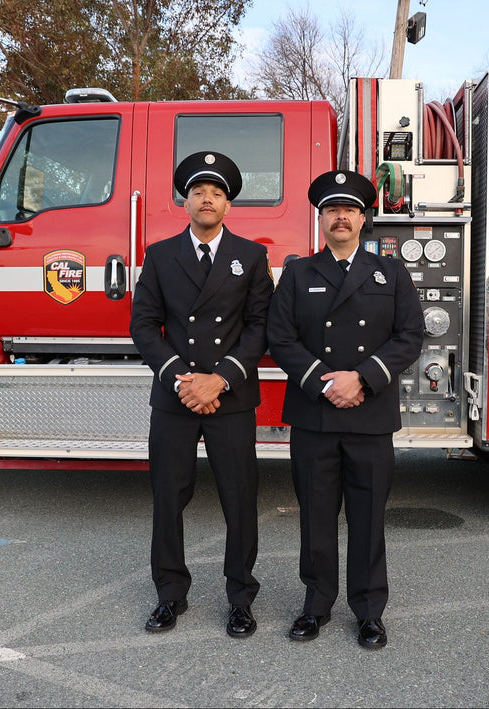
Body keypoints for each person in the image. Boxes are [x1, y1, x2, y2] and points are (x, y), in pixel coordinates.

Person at [267, 169, 424, 649]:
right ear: (321, 219)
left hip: (369, 414)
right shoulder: (297, 273)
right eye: (332, 209)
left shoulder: (390, 273)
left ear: (363, 218)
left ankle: (370, 611)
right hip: (314, 414)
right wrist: (326, 381)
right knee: (316, 516)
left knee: (367, 517)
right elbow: (280, 338)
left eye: (350, 210)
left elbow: (410, 336)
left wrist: (362, 377)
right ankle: (316, 605)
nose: (341, 217)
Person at [130, 151, 274, 638]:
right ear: (185, 202)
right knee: (168, 497)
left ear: (228, 205)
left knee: (239, 498)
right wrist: (182, 379)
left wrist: (220, 378)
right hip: (176, 396)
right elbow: (144, 325)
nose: (206, 199)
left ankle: (241, 598)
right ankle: (170, 593)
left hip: (230, 396)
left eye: (216, 193)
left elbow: (260, 327)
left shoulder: (250, 256)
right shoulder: (160, 255)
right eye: (197, 192)